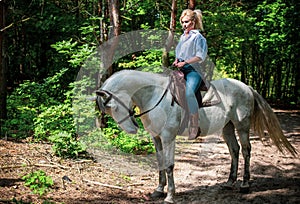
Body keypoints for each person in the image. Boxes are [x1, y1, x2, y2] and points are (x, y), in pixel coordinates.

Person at [172, 9, 208, 140]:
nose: (184, 25)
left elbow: (200, 56)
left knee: (189, 93)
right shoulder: (183, 37)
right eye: (182, 22)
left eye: (186, 22)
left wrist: (185, 62)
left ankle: (194, 125)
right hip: (181, 69)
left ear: (193, 22)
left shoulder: (198, 37)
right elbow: (180, 53)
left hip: (194, 70)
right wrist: (177, 60)